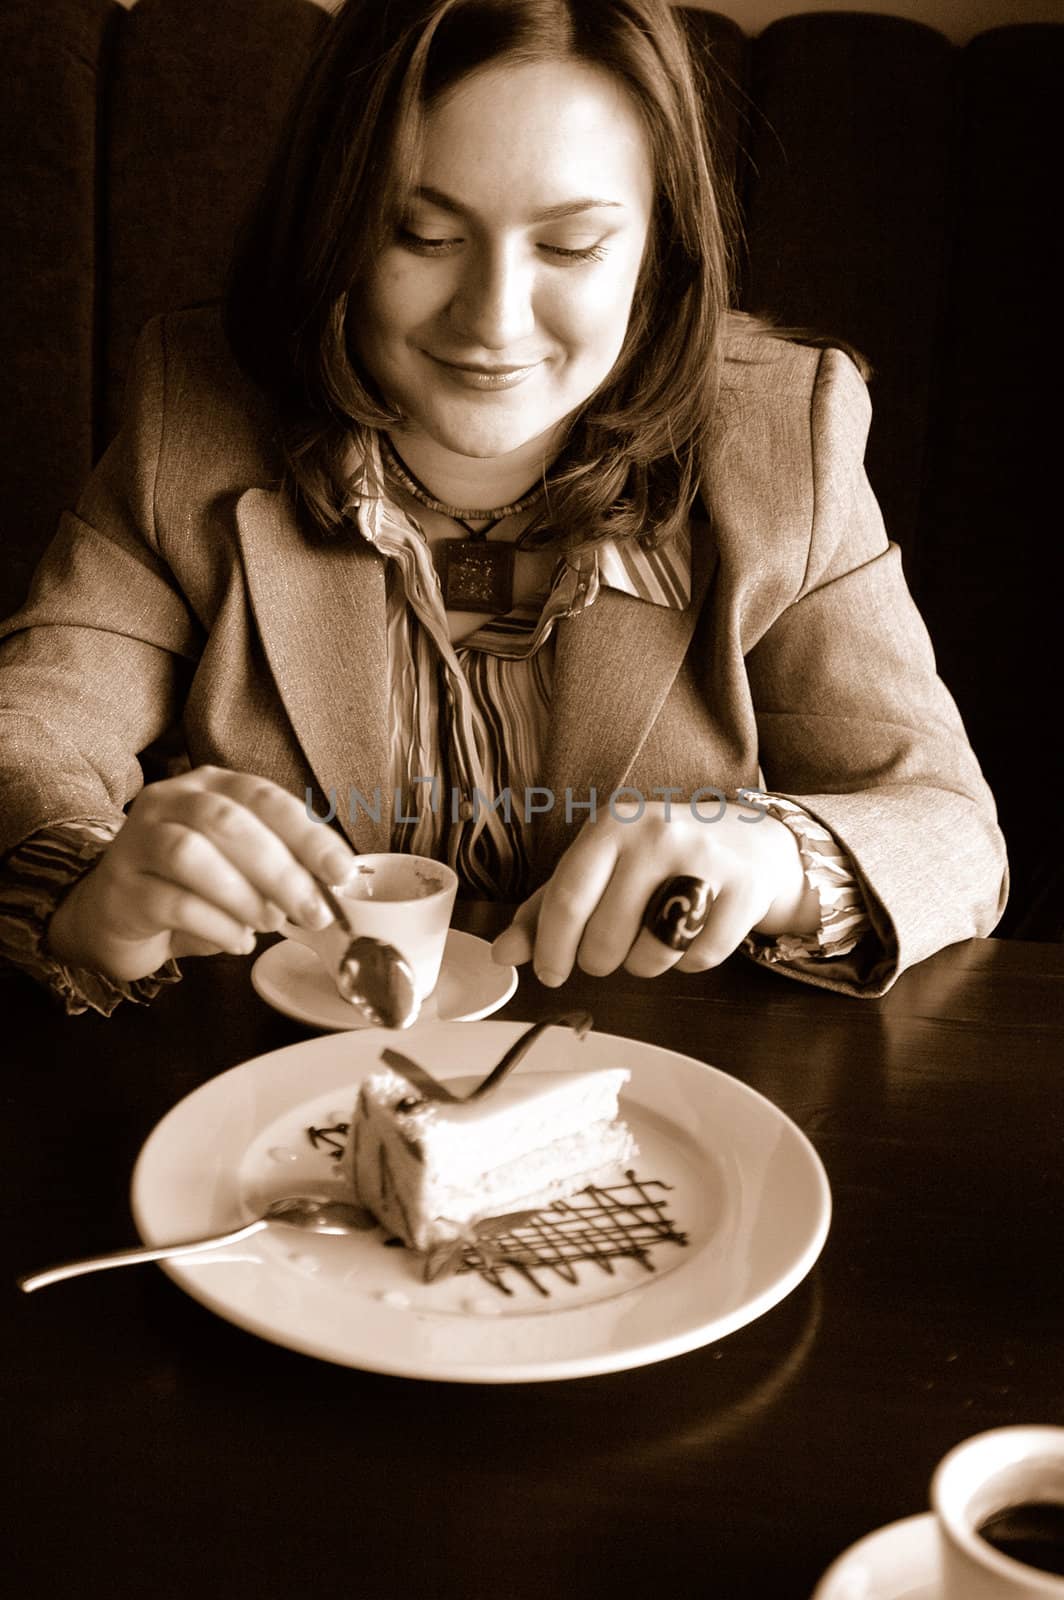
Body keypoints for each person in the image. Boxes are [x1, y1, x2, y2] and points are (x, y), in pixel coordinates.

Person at [0, 0, 1006, 1016]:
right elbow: (30, 726)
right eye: (420, 233)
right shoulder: (196, 407)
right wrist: (86, 881)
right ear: (334, 224)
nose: (491, 319)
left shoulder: (787, 433)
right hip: (280, 1093)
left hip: (653, 1098)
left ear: (658, 251)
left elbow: (951, 833)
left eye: (570, 247)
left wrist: (773, 856)